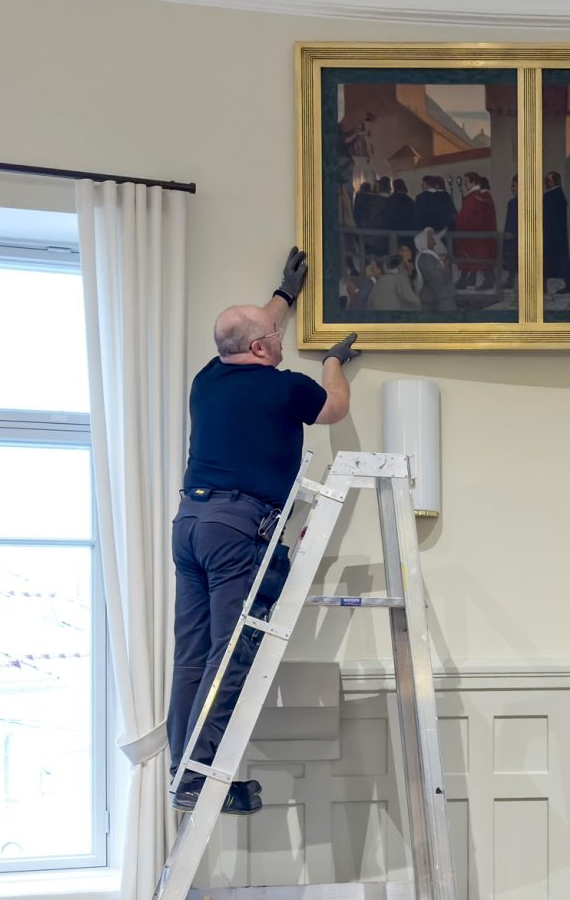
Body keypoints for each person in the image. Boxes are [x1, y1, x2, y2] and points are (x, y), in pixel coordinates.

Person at [169, 247, 360, 813]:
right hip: (237, 527)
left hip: (191, 522)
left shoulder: (208, 378)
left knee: (193, 654)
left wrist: (285, 295)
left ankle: (186, 770)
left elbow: (257, 325)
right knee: (231, 652)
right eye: (272, 337)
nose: (280, 342)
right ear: (261, 349)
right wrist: (331, 363)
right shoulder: (285, 387)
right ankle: (200, 778)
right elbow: (336, 408)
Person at [453, 172, 498, 290]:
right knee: (481, 259)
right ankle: (467, 280)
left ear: (473, 182)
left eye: (467, 181)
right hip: (481, 235)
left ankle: (470, 281)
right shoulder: (481, 197)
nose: (465, 184)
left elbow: (466, 217)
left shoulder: (473, 198)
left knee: (475, 259)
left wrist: (459, 225)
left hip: (471, 235)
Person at [543, 171, 570, 295]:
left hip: (552, 234)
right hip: (555, 233)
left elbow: (548, 215)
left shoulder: (553, 195)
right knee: (556, 259)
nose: (546, 182)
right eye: (546, 180)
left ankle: (567, 285)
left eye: (549, 180)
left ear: (555, 181)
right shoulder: (556, 194)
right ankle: (567, 285)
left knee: (551, 259)